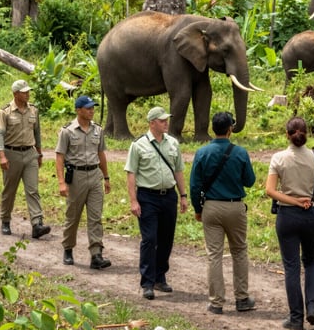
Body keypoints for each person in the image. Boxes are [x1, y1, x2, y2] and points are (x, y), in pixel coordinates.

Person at [189, 111, 256, 314]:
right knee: (239, 251)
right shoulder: (240, 152)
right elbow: (250, 181)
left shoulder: (202, 153)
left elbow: (194, 185)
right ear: (230, 129)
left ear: (213, 129)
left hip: (211, 206)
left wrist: (198, 209)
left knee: (214, 255)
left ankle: (216, 302)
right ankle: (242, 298)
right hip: (235, 206)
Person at [265, 117, 314, 330]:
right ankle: (313, 307)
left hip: (288, 216)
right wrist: (305, 198)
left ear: (287, 135)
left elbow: (270, 190)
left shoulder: (278, 158)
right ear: (306, 134)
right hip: (312, 214)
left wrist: (292, 200)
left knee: (291, 266)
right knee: (311, 262)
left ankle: (295, 317)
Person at [125, 106, 187, 300]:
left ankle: (160, 276)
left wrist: (183, 195)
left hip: (168, 196)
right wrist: (133, 200)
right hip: (148, 197)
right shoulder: (138, 145)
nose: (166, 123)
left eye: (166, 119)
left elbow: (178, 170)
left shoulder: (173, 143)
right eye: (162, 120)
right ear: (152, 123)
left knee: (166, 238)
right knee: (149, 239)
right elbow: (131, 173)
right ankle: (147, 282)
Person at [55, 95, 112, 269]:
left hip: (94, 175)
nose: (92, 111)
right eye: (88, 108)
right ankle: (68, 248)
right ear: (78, 110)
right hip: (76, 177)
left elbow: (101, 154)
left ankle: (96, 255)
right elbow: (59, 157)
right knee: (73, 216)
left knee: (95, 216)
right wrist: (61, 182)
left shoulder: (98, 130)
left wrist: (106, 177)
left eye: (93, 108)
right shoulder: (67, 131)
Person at [0, 79, 51, 239]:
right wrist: (2, 156)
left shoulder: (33, 110)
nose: (27, 94)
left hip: (30, 154)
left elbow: (37, 133)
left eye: (28, 91)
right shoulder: (5, 111)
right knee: (9, 190)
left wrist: (39, 153)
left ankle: (37, 224)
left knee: (33, 190)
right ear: (15, 94)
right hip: (11, 154)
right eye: (24, 92)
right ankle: (5, 220)